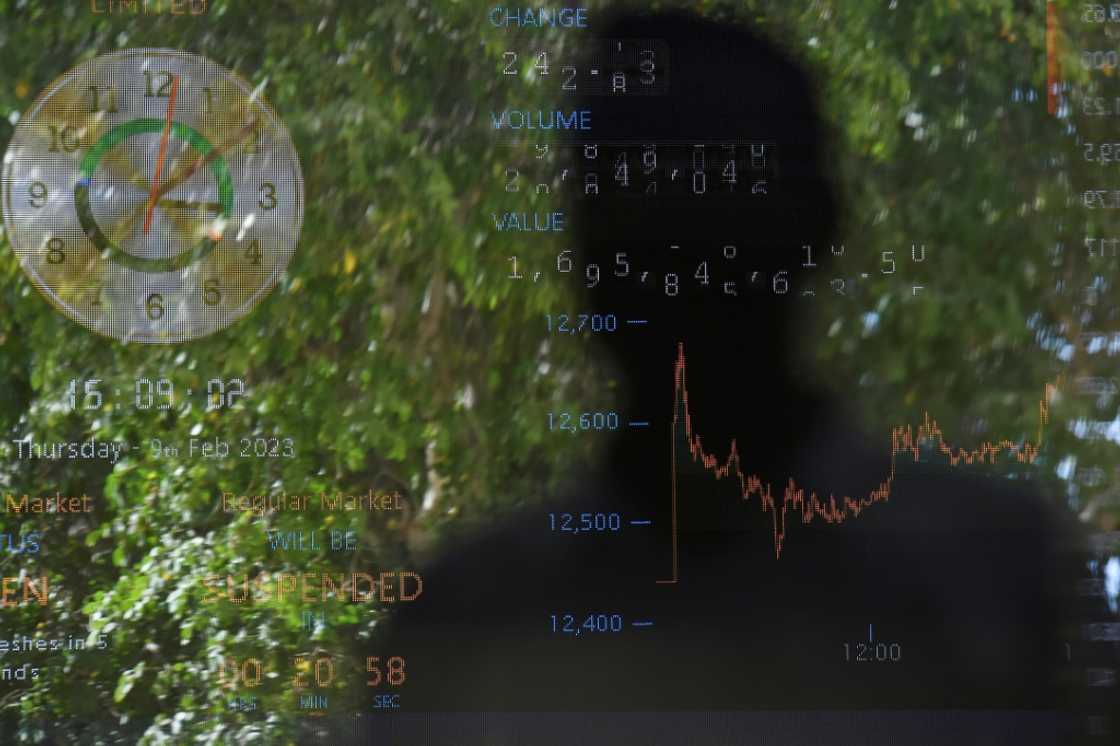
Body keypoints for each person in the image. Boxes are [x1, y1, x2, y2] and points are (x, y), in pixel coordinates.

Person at [366, 10, 1086, 745]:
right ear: (824, 226)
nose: (669, 264)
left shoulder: (469, 622)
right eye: (631, 213)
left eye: (700, 213)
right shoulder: (993, 579)